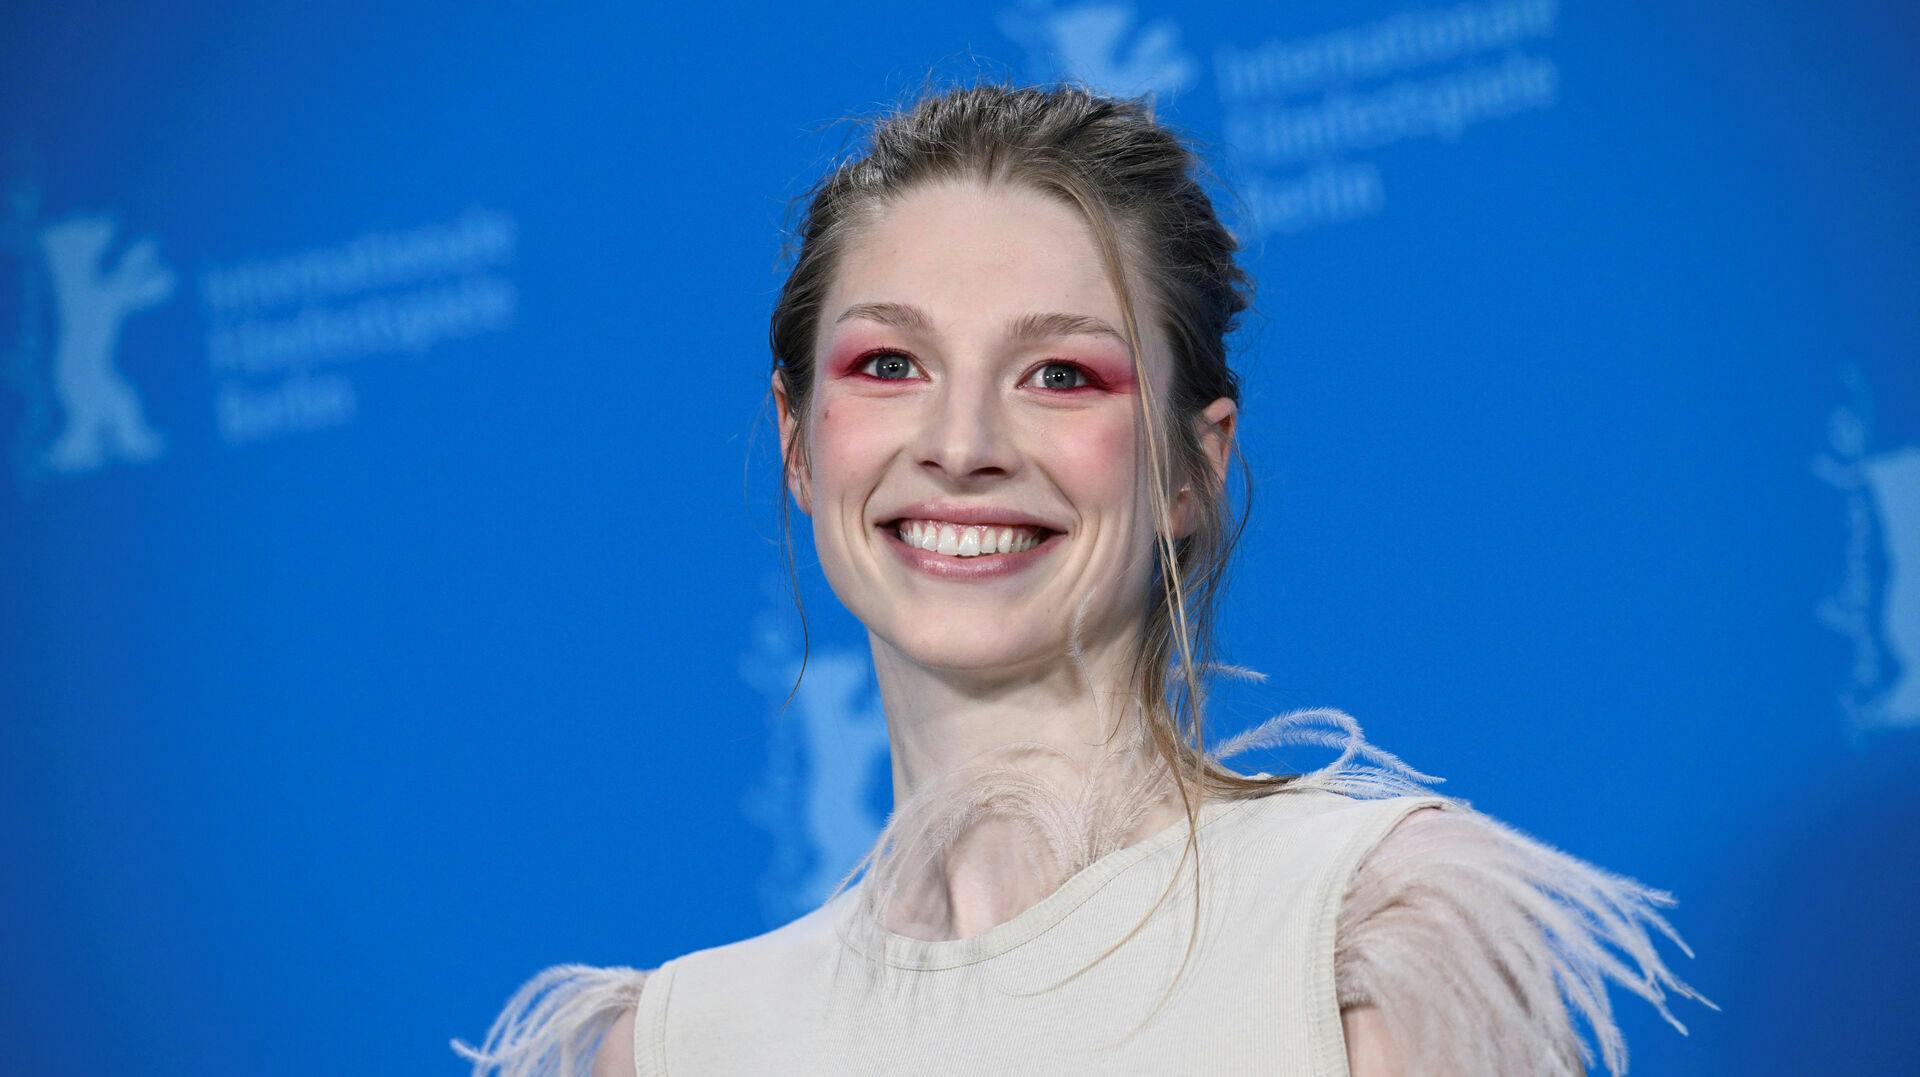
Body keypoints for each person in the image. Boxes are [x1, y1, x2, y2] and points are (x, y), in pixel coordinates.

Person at [453, 83, 1714, 1076]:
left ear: (1189, 465)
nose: (960, 443)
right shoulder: (678, 1047)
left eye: (1060, 375)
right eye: (889, 365)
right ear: (797, 440)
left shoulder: (1360, 943)